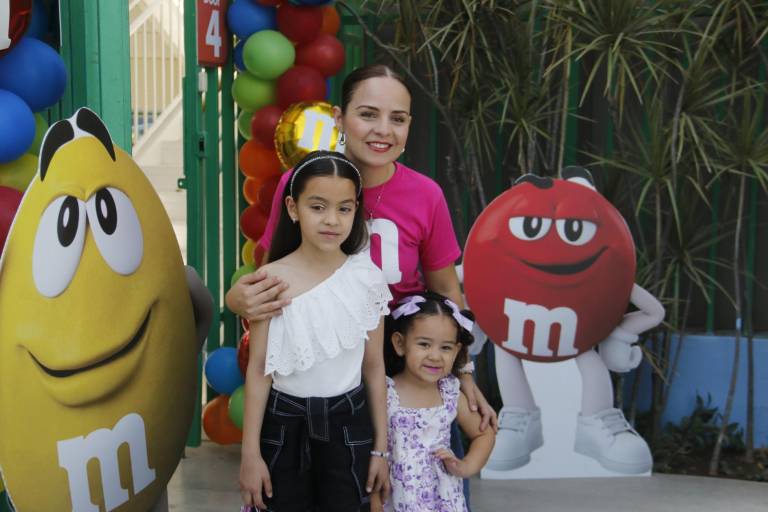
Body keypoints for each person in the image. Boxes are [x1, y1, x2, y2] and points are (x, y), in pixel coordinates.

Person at [227, 63, 498, 430]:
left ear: (408, 126)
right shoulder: (301, 181)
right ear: (339, 118)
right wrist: (238, 299)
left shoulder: (425, 194)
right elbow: (272, 270)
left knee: (425, 477)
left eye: (397, 118)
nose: (383, 130)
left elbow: (446, 288)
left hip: (405, 360)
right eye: (368, 114)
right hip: (323, 364)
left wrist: (464, 373)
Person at [238, 151, 391, 511]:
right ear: (293, 208)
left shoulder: (367, 278)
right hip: (282, 427)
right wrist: (249, 454)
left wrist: (381, 448)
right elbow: (260, 370)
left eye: (344, 208)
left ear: (356, 210)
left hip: (349, 426)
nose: (332, 220)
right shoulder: (271, 280)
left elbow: (374, 368)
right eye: (317, 207)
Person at [377, 292, 494, 512]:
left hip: (444, 500)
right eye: (424, 344)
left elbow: (484, 433)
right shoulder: (385, 392)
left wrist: (466, 466)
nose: (435, 356)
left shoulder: (449, 392)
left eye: (446, 348)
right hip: (397, 500)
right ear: (400, 344)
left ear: (457, 350)